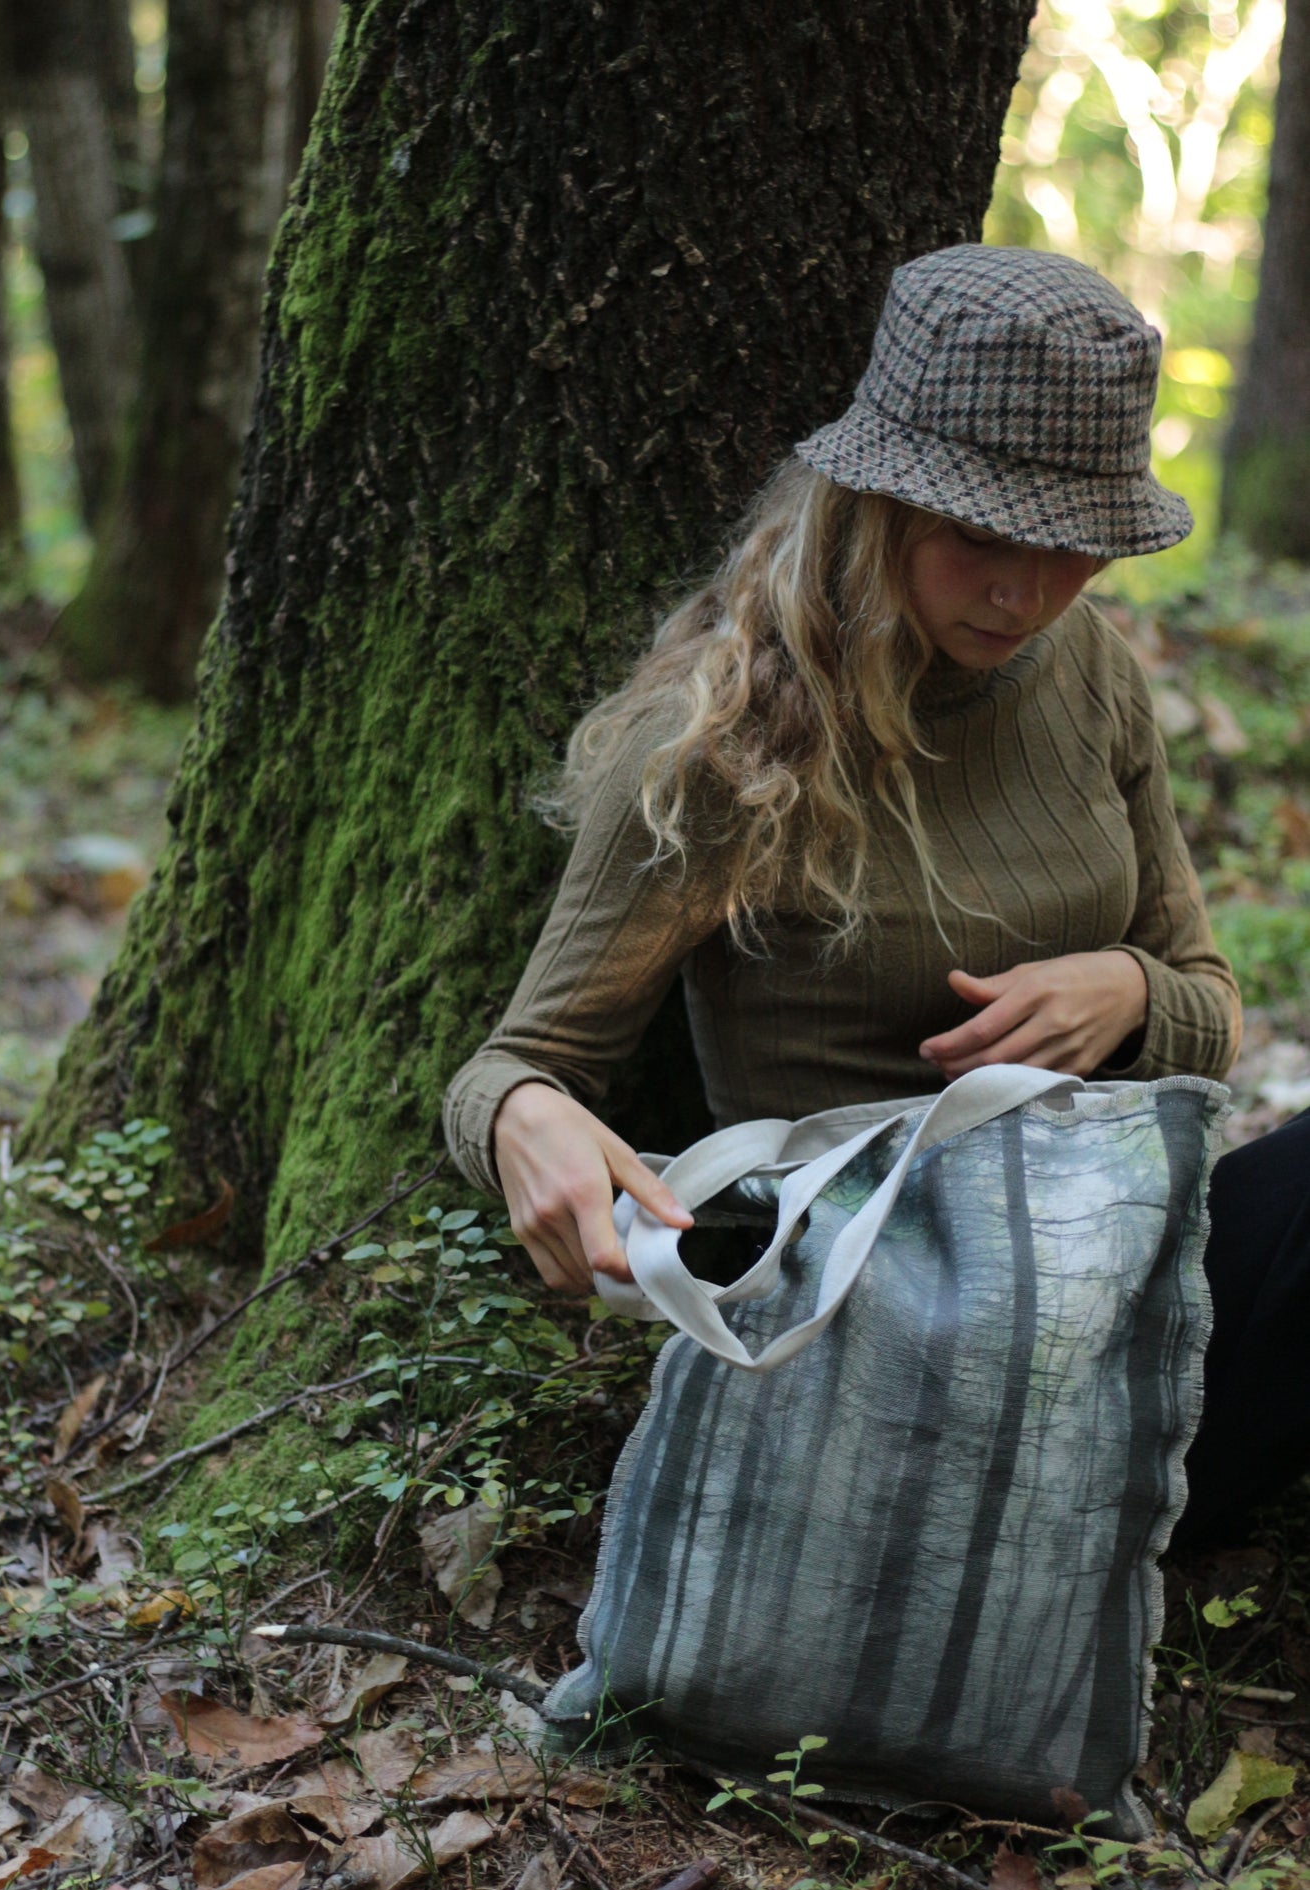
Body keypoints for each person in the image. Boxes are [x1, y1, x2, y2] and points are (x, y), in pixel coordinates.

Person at [443, 244, 1307, 1550]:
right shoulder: (722, 740)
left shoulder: (1089, 676)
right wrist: (523, 1123)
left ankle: (1111, 1533)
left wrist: (1125, 993)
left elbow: (1208, 1006)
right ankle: (1043, 1549)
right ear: (876, 504)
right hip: (886, 1327)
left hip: (1116, 1264)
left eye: (1071, 548)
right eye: (978, 541)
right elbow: (516, 1065)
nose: (1025, 593)